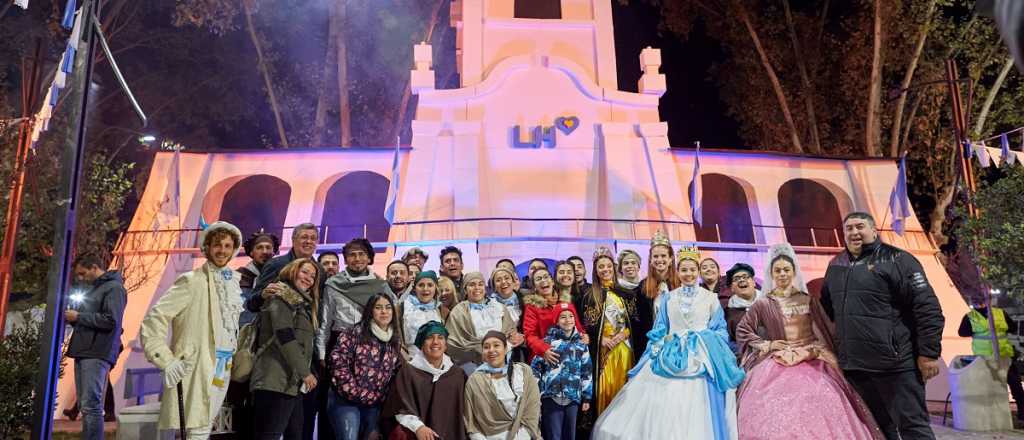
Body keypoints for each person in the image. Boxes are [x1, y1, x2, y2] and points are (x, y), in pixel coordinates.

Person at [592, 246, 744, 440]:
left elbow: (720, 331)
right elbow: (660, 328)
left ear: (697, 271)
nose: (688, 274)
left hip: (700, 356)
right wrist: (660, 343)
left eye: (692, 270)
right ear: (677, 272)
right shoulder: (668, 298)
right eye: (684, 270)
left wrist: (700, 339)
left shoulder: (711, 298)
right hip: (669, 353)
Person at [735, 244, 882, 439]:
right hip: (778, 359)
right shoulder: (763, 303)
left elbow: (826, 328)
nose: (782, 274)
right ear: (771, 273)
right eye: (777, 270)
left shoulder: (808, 299)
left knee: (825, 395)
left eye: (786, 270)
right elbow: (743, 329)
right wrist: (767, 345)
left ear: (794, 271)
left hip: (811, 356)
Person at [821, 212, 944, 440]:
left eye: (860, 227)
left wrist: (928, 353)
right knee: (874, 429)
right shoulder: (836, 264)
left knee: (912, 427)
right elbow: (828, 307)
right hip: (856, 367)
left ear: (874, 231)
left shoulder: (898, 260)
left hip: (896, 365)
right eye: (849, 228)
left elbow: (927, 308)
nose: (854, 232)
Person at [140, 222, 244, 439]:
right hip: (198, 364)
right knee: (195, 428)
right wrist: (166, 359)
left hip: (223, 366)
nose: (222, 251)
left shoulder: (232, 282)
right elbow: (155, 318)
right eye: (217, 245)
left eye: (227, 245)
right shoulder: (191, 280)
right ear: (207, 247)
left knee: (205, 426)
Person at [317, 239, 385, 440]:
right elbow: (324, 323)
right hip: (340, 349)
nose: (357, 258)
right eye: (352, 255)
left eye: (362, 254)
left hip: (372, 349)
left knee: (370, 416)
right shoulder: (333, 284)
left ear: (369, 257)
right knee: (340, 410)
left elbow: (388, 320)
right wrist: (322, 355)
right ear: (345, 259)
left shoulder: (380, 285)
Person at [249, 258, 322, 439]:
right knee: (268, 435)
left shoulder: (301, 303)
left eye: (312, 276)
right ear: (292, 270)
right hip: (274, 379)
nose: (308, 278)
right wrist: (305, 372)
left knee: (295, 434)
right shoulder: (281, 295)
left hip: (290, 383)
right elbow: (285, 336)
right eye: (304, 272)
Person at [65, 252, 127, 440]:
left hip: (97, 351)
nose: (80, 278)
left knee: (91, 405)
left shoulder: (114, 288)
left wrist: (78, 317)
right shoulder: (95, 289)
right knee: (86, 405)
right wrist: (75, 319)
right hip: (85, 351)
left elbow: (111, 321)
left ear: (94, 267)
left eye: (83, 273)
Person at [328, 293, 403, 440]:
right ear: (370, 311)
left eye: (388, 308)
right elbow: (337, 360)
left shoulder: (394, 339)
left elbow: (393, 372)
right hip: (345, 401)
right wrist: (354, 392)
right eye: (378, 307)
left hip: (373, 404)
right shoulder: (354, 332)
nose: (384, 312)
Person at [381, 321, 468, 440]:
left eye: (440, 338)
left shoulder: (457, 375)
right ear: (421, 344)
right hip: (417, 433)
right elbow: (400, 409)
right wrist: (418, 427)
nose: (435, 342)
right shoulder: (408, 372)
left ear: (446, 344)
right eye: (429, 338)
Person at [578, 248, 634, 417]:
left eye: (609, 266)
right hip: (604, 351)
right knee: (605, 388)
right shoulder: (589, 295)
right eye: (601, 266)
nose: (605, 270)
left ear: (614, 267)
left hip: (624, 348)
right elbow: (586, 326)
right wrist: (600, 339)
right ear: (596, 270)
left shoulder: (625, 293)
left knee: (625, 389)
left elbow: (636, 322)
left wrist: (625, 333)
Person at [464, 331, 542, 440]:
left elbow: (532, 408)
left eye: (496, 345)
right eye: (486, 347)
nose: (491, 350)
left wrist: (522, 437)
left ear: (505, 349)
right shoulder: (475, 380)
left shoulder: (523, 372)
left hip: (524, 435)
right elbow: (470, 420)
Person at [957, 297, 1024, 422]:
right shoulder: (996, 313)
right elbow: (1013, 328)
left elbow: (963, 333)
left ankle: (1019, 414)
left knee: (1013, 385)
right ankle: (1015, 414)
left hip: (996, 357)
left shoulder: (972, 317)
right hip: (990, 358)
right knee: (1014, 385)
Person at [531, 307, 593, 440]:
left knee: (570, 435)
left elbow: (586, 371)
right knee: (554, 435)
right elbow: (535, 368)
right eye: (563, 317)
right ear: (556, 321)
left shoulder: (582, 345)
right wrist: (538, 392)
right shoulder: (547, 343)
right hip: (551, 396)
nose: (568, 320)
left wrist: (587, 396)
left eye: (571, 316)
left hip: (572, 397)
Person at [445, 272, 523, 373]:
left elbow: (511, 332)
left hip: (503, 360)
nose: (477, 288)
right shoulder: (458, 311)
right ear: (465, 289)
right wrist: (479, 353)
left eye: (480, 284)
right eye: (472, 284)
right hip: (472, 365)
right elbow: (452, 343)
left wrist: (508, 343)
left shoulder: (499, 307)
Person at [245, 223, 320, 312]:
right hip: (277, 323)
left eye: (313, 238)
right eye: (304, 237)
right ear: (293, 240)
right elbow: (251, 304)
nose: (308, 241)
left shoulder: (320, 270)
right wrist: (262, 295)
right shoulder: (275, 265)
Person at [632, 230, 681, 358]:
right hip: (651, 345)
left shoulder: (681, 284)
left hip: (677, 343)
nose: (660, 260)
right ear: (650, 260)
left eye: (663, 256)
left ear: (671, 259)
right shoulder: (642, 288)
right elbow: (639, 324)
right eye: (656, 256)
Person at [522, 268, 586, 363]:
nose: (543, 280)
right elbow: (530, 335)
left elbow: (577, 326)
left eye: (546, 277)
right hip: (546, 357)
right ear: (534, 286)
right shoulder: (532, 307)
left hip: (570, 355)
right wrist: (544, 350)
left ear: (552, 281)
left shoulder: (566, 301)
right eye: (538, 279)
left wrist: (584, 335)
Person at [397, 271, 449, 358]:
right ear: (414, 288)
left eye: (430, 285)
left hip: (437, 359)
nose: (425, 289)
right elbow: (397, 337)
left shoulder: (443, 311)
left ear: (435, 288)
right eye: (421, 285)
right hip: (409, 359)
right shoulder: (402, 308)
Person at [239, 232, 280, 325]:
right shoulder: (239, 276)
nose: (265, 251)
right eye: (259, 247)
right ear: (251, 252)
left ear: (274, 252)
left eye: (268, 247)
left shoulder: (281, 275)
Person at [723, 263, 762, 346]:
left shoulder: (769, 304)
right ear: (732, 288)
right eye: (736, 279)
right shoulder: (728, 312)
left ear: (754, 282)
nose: (741, 280)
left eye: (745, 277)